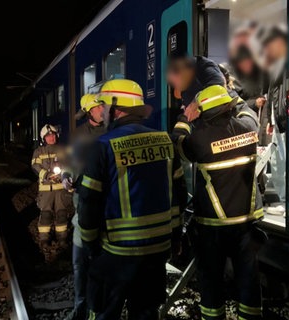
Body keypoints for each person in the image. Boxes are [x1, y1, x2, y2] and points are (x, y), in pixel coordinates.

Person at [78, 79, 186, 319]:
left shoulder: (103, 146)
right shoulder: (165, 140)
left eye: (104, 106)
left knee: (105, 312)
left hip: (116, 252)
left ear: (116, 109)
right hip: (157, 250)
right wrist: (176, 238)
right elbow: (179, 196)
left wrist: (89, 244)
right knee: (146, 313)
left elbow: (88, 202)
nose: (103, 111)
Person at [172, 85, 265, 320]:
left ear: (203, 112)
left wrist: (185, 116)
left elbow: (177, 141)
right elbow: (247, 110)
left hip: (213, 227)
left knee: (211, 280)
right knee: (248, 278)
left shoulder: (200, 140)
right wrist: (231, 95)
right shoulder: (249, 128)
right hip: (245, 223)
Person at [62, 94, 106, 320]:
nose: (103, 109)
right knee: (81, 258)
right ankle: (81, 306)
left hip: (107, 199)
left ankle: (99, 304)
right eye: (99, 107)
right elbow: (69, 163)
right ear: (90, 111)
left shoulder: (112, 130)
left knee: (101, 253)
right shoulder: (78, 135)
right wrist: (65, 177)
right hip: (83, 197)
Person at [259, 24, 288, 215]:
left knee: (285, 160)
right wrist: (270, 120)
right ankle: (282, 198)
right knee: (277, 161)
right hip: (276, 119)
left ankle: (287, 200)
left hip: (285, 119)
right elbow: (271, 94)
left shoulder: (286, 63)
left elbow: (284, 92)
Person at [31, 124, 71, 250]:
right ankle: (44, 240)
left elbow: (70, 164)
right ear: (44, 138)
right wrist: (47, 175)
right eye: (48, 136)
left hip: (61, 189)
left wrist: (65, 175)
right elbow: (35, 167)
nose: (51, 138)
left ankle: (62, 238)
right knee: (46, 214)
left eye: (53, 135)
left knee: (62, 214)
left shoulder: (63, 149)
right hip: (46, 190)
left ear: (56, 136)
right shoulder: (38, 152)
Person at [166, 55, 226, 122]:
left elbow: (218, 85)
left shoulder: (204, 65)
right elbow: (177, 95)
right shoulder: (182, 81)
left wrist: (195, 103)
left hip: (217, 117)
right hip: (197, 122)